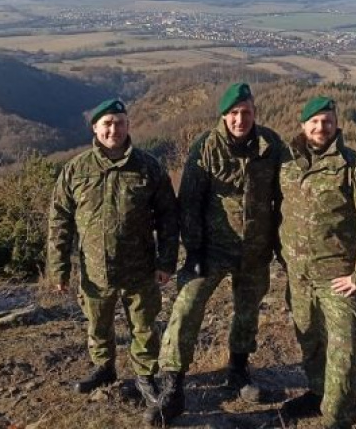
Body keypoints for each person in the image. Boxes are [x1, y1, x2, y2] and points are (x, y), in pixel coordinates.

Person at [145, 83, 284, 426]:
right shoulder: (206, 147)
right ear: (223, 116)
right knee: (187, 307)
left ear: (255, 113)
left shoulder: (271, 145)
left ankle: (238, 370)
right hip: (211, 249)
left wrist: (282, 244)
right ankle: (173, 384)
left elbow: (285, 195)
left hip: (254, 249)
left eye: (246, 112)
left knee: (248, 311)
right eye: (234, 113)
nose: (240, 119)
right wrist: (193, 250)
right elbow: (189, 202)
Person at [47, 98, 179, 410]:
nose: (113, 129)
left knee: (144, 327)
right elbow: (59, 220)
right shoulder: (76, 169)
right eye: (107, 123)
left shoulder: (148, 167)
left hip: (140, 268)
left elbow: (168, 217)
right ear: (95, 128)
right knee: (98, 323)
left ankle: (145, 376)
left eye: (119, 123)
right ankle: (103, 368)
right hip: (94, 269)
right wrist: (59, 268)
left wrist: (166, 262)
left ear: (128, 125)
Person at [278, 96, 356, 429]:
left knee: (341, 352)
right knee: (310, 342)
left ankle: (338, 417)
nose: (321, 127)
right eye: (314, 121)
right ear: (303, 125)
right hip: (298, 278)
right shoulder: (286, 163)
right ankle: (318, 393)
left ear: (336, 124)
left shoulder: (355, 167)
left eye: (327, 121)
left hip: (337, 279)